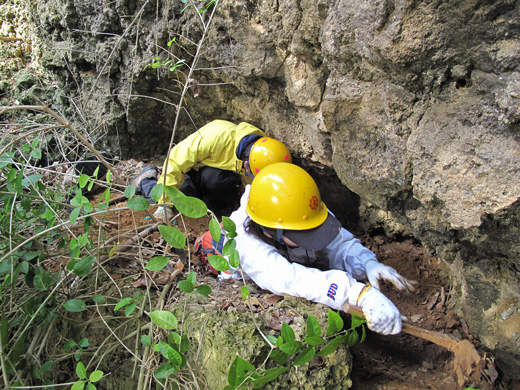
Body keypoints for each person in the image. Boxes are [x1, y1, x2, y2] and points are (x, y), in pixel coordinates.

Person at [210, 163, 415, 335]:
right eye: (303, 233)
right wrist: (358, 294)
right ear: (269, 232)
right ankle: (208, 245)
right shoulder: (247, 245)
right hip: (243, 273)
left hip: (284, 250)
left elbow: (337, 243)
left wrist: (368, 263)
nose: (312, 234)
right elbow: (289, 278)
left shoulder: (297, 207)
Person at [128, 120, 292, 219]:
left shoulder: (263, 156)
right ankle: (145, 181)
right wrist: (164, 205)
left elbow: (252, 189)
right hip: (189, 173)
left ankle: (210, 208)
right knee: (184, 197)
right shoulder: (216, 138)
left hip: (213, 177)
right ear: (247, 163)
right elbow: (175, 162)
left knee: (221, 181)